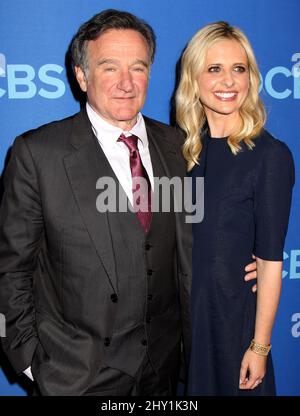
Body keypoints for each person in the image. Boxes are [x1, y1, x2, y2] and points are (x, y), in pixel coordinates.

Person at [0, 10, 256, 396]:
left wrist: (236, 259)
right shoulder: (38, 154)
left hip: (167, 373)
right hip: (74, 377)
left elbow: (192, 238)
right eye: (108, 68)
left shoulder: (180, 148)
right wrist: (29, 362)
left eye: (138, 68)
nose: (125, 83)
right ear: (81, 76)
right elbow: (9, 270)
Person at [176, 21, 295, 396]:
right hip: (181, 328)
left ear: (251, 78)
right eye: (214, 69)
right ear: (193, 79)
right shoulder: (179, 153)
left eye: (238, 69)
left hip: (232, 324)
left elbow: (271, 262)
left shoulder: (269, 156)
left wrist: (259, 347)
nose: (228, 81)